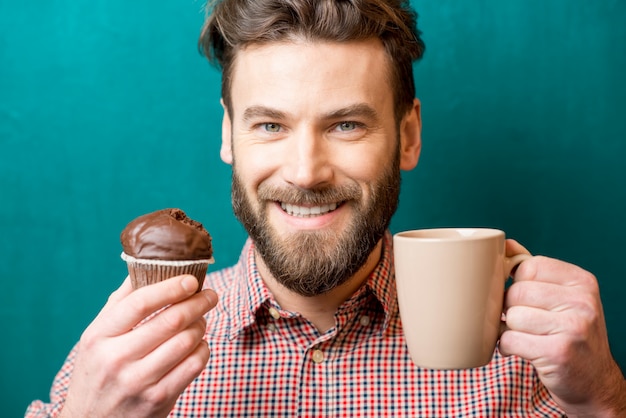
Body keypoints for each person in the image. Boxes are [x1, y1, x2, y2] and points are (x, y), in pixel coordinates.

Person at [27, 0, 626, 416]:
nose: (306, 170)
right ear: (229, 136)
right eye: (269, 124)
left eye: (345, 124)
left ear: (408, 136)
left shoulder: (538, 362)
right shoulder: (120, 366)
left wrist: (602, 401)